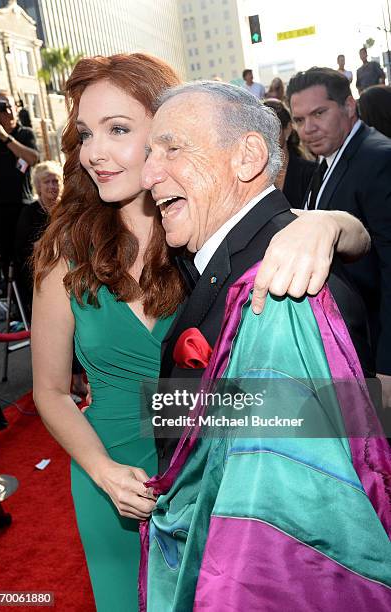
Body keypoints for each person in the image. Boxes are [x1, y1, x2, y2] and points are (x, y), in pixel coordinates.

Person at [32, 54, 370, 611]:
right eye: (85, 134)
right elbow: (48, 389)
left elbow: (350, 250)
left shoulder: (200, 231)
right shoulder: (66, 254)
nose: (94, 151)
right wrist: (101, 470)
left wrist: (325, 224)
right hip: (108, 473)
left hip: (220, 471)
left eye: (118, 130)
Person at [140, 80, 391, 612]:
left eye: (171, 148)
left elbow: (288, 545)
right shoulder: (238, 261)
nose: (148, 174)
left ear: (248, 156)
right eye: (148, 154)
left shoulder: (280, 293)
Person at [287, 67, 391, 410]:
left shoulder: (378, 158)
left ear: (349, 106)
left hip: (375, 345)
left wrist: (388, 366)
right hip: (348, 348)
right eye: (300, 120)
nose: (308, 128)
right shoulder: (330, 158)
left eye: (319, 113)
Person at [0, 92, 38, 281]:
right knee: (8, 260)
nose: (8, 112)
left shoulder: (24, 133)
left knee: (28, 256)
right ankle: (15, 303)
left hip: (23, 205)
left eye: (10, 106)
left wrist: (5, 137)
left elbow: (32, 158)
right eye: (2, 109)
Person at [15, 161, 63, 316]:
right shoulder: (29, 213)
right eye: (46, 182)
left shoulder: (68, 208)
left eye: (55, 181)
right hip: (39, 269)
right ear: (38, 187)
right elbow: (23, 249)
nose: (52, 186)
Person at [263, 99, 317, 208]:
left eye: (273, 129)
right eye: (261, 131)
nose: (267, 137)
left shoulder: (311, 173)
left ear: (287, 129)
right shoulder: (252, 177)